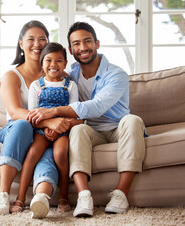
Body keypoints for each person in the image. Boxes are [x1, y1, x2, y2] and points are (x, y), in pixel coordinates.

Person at [27, 21, 146, 217]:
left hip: (118, 128)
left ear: (97, 43)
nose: (83, 48)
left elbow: (97, 106)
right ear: (71, 50)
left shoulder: (116, 74)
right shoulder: (71, 74)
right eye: (76, 44)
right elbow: (48, 75)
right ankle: (84, 195)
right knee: (79, 129)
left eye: (87, 41)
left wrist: (53, 111)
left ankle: (121, 194)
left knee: (133, 120)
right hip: (91, 130)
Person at [0, 21, 76, 218]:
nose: (36, 44)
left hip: (44, 133)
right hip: (16, 130)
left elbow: (73, 104)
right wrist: (48, 122)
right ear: (21, 43)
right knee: (22, 124)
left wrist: (55, 126)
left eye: (42, 39)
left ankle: (41, 198)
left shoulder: (55, 73)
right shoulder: (12, 75)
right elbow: (14, 112)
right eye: (31, 39)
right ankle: (2, 194)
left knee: (48, 152)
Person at [9, 42, 81, 214]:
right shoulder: (36, 85)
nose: (53, 65)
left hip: (62, 128)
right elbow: (33, 114)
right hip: (41, 129)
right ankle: (20, 199)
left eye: (59, 61)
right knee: (32, 154)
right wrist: (47, 125)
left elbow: (74, 113)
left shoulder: (70, 85)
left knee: (60, 153)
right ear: (42, 63)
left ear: (65, 63)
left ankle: (64, 197)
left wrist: (58, 127)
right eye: (48, 60)